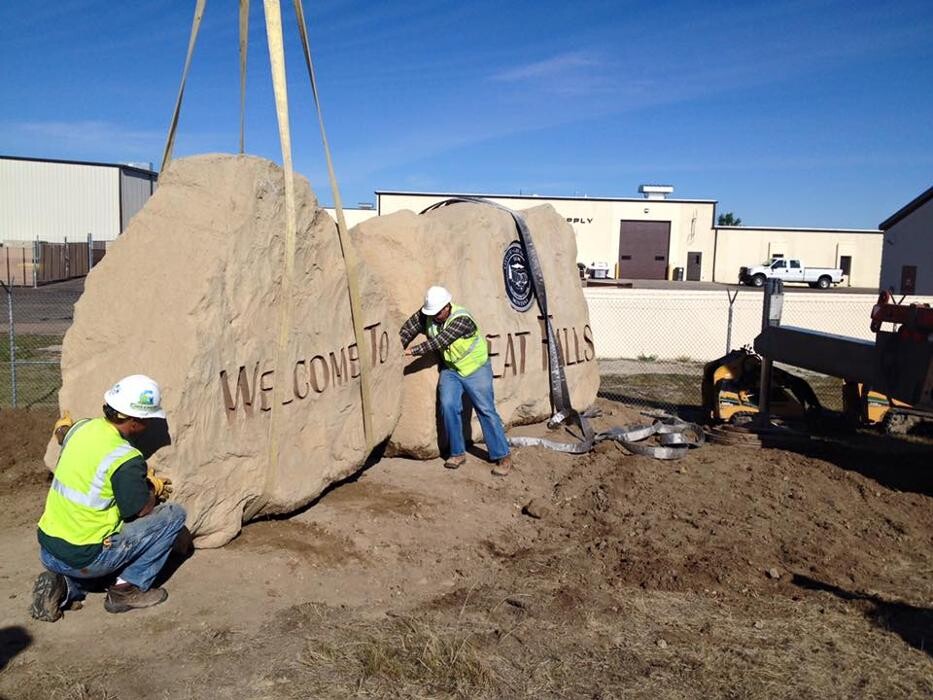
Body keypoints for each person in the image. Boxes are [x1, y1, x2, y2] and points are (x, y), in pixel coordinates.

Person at [31, 374, 187, 621]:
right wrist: (151, 488)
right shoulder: (124, 457)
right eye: (147, 420)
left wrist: (61, 429)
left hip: (49, 549)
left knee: (91, 552)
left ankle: (64, 586)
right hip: (86, 557)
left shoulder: (81, 428)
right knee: (174, 515)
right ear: (134, 422)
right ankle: (126, 590)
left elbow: (64, 434)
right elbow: (138, 510)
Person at [400, 286, 512, 476]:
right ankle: (457, 453)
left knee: (485, 410)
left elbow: (440, 341)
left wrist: (412, 351)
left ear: (446, 307)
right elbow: (407, 330)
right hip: (451, 370)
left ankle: (503, 455)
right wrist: (396, 346)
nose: (433, 316)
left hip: (476, 369)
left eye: (437, 313)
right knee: (448, 405)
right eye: (431, 313)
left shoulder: (462, 320)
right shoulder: (427, 313)